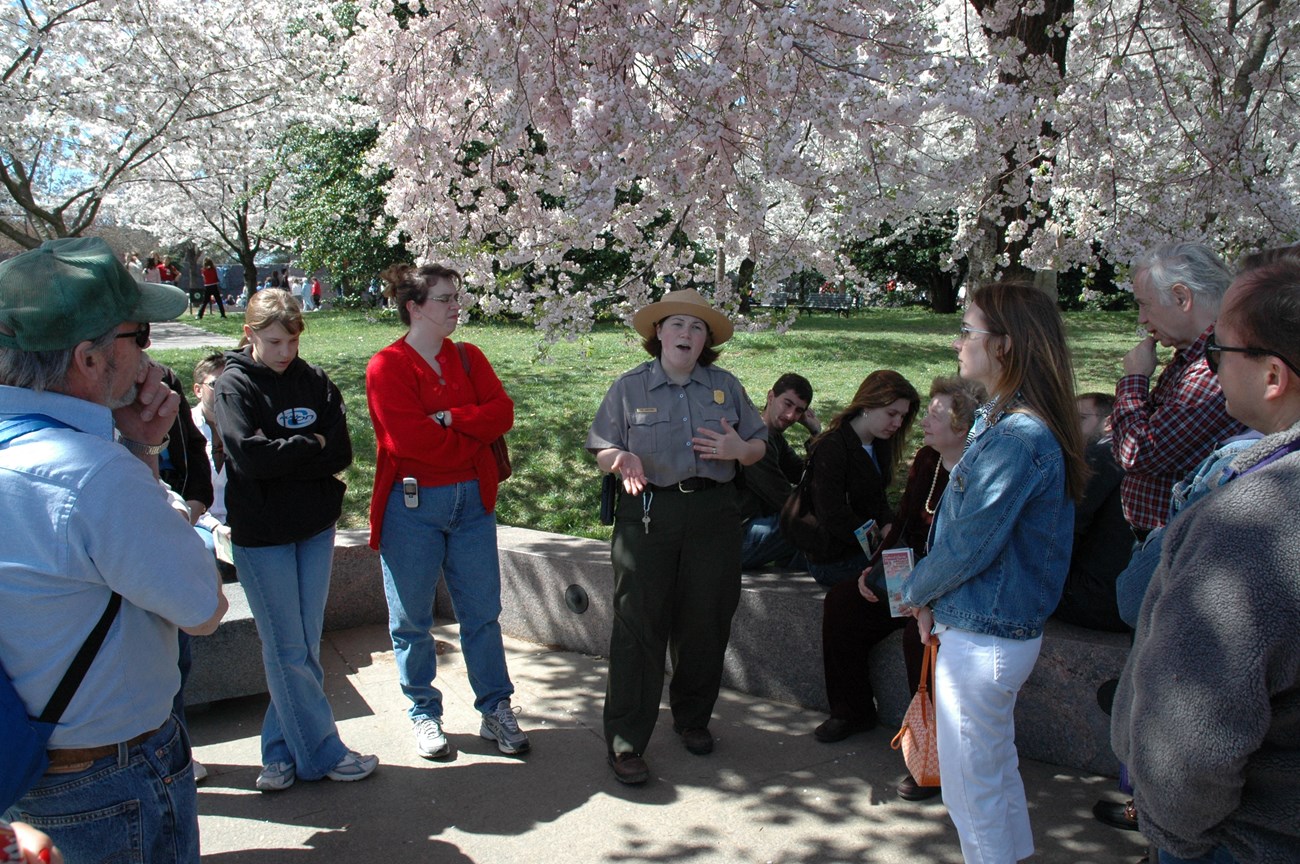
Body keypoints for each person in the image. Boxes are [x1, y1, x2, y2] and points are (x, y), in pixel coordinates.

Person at [0, 237, 227, 862]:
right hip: (108, 783)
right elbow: (202, 606)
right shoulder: (92, 475)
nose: (148, 353)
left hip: (24, 771)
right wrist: (143, 462)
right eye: (140, 335)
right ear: (90, 359)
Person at [1112, 259, 1300, 863]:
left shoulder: (1253, 523)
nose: (1212, 369)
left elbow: (1191, 735)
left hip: (1245, 839)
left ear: (1272, 375)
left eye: (1220, 353)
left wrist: (1174, 836)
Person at [901, 280, 1088, 864]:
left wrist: (911, 591)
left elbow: (969, 545)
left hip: (985, 637)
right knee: (992, 776)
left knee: (971, 793)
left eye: (968, 331)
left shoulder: (1018, 436)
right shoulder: (1003, 424)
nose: (958, 343)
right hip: (984, 629)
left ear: (1004, 345)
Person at [587, 288, 767, 785]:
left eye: (696, 327)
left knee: (706, 621)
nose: (686, 334)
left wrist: (737, 448)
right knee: (638, 625)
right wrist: (617, 459)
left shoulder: (725, 386)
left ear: (705, 340)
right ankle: (625, 741)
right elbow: (602, 446)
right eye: (676, 325)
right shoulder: (629, 388)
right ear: (658, 334)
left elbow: (757, 446)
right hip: (649, 511)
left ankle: (692, 719)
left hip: (713, 512)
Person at [215, 288, 377, 791]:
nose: (285, 351)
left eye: (292, 341)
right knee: (286, 648)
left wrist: (288, 454)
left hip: (313, 527)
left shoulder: (317, 382)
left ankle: (279, 751)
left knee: (303, 645)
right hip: (262, 536)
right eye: (274, 341)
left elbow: (342, 452)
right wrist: (311, 444)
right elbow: (250, 458)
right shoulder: (233, 386)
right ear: (250, 335)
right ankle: (323, 753)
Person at [365, 263, 529, 761]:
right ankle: (423, 712)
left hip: (472, 506)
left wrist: (452, 419)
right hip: (411, 506)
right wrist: (470, 440)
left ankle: (495, 709)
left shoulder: (468, 356)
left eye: (456, 296)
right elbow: (409, 442)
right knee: (412, 619)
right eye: (443, 298)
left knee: (482, 614)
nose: (455, 305)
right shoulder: (387, 366)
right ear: (414, 307)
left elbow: (503, 413)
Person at [816, 377, 985, 790]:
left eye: (933, 413)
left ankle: (932, 754)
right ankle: (852, 709)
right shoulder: (928, 461)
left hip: (952, 585)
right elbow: (904, 523)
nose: (920, 421)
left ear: (962, 426)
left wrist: (922, 591)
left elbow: (969, 552)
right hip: (911, 574)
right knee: (843, 602)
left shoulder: (982, 467)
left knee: (919, 638)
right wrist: (874, 568)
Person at [1112, 243, 1248, 539]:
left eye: (1144, 304)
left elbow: (1137, 452)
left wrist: (1134, 378)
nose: (1141, 319)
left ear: (1181, 297)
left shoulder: (1213, 368)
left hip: (1173, 538)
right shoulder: (1190, 356)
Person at [802, 370, 920, 588]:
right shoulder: (832, 447)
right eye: (891, 413)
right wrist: (878, 541)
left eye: (902, 417)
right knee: (908, 582)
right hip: (833, 558)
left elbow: (878, 497)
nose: (897, 423)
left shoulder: (880, 443)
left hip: (864, 548)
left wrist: (888, 525)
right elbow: (832, 513)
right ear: (868, 405)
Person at [1051, 393, 1131, 633]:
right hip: (1120, 598)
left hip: (1090, 598)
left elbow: (1066, 527)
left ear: (1108, 422)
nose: (1069, 426)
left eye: (1080, 418)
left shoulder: (1101, 457)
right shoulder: (1123, 456)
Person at [737, 372, 820, 570]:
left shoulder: (774, 438)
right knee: (811, 524)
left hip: (754, 528)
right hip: (736, 538)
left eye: (799, 411)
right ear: (771, 397)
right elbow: (785, 500)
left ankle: (794, 580)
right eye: (787, 404)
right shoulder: (755, 439)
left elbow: (805, 474)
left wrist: (816, 434)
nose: (791, 416)